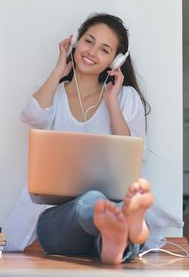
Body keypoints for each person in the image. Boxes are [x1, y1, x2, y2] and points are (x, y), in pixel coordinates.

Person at [18, 13, 154, 264]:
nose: (91, 51)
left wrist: (111, 102)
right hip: (63, 221)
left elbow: (133, 154)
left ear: (116, 60)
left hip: (109, 209)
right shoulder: (55, 94)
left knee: (103, 207)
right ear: (75, 43)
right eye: (88, 41)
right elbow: (33, 116)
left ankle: (114, 241)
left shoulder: (125, 98)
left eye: (104, 49)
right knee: (91, 203)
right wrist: (59, 68)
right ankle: (129, 225)